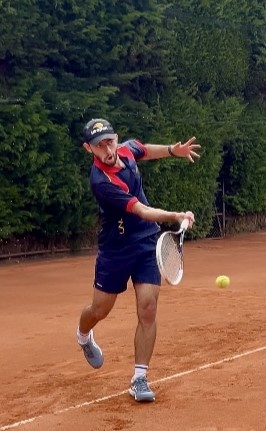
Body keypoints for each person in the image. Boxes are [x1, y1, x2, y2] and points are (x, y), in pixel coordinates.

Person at [75, 118, 201, 402]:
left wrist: (172, 150)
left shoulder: (127, 150)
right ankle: (83, 336)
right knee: (99, 310)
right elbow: (141, 210)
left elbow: (144, 149)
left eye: (110, 141)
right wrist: (176, 216)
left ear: (116, 138)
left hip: (146, 243)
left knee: (148, 307)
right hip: (115, 250)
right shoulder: (101, 181)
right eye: (99, 146)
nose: (107, 149)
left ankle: (139, 378)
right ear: (89, 148)